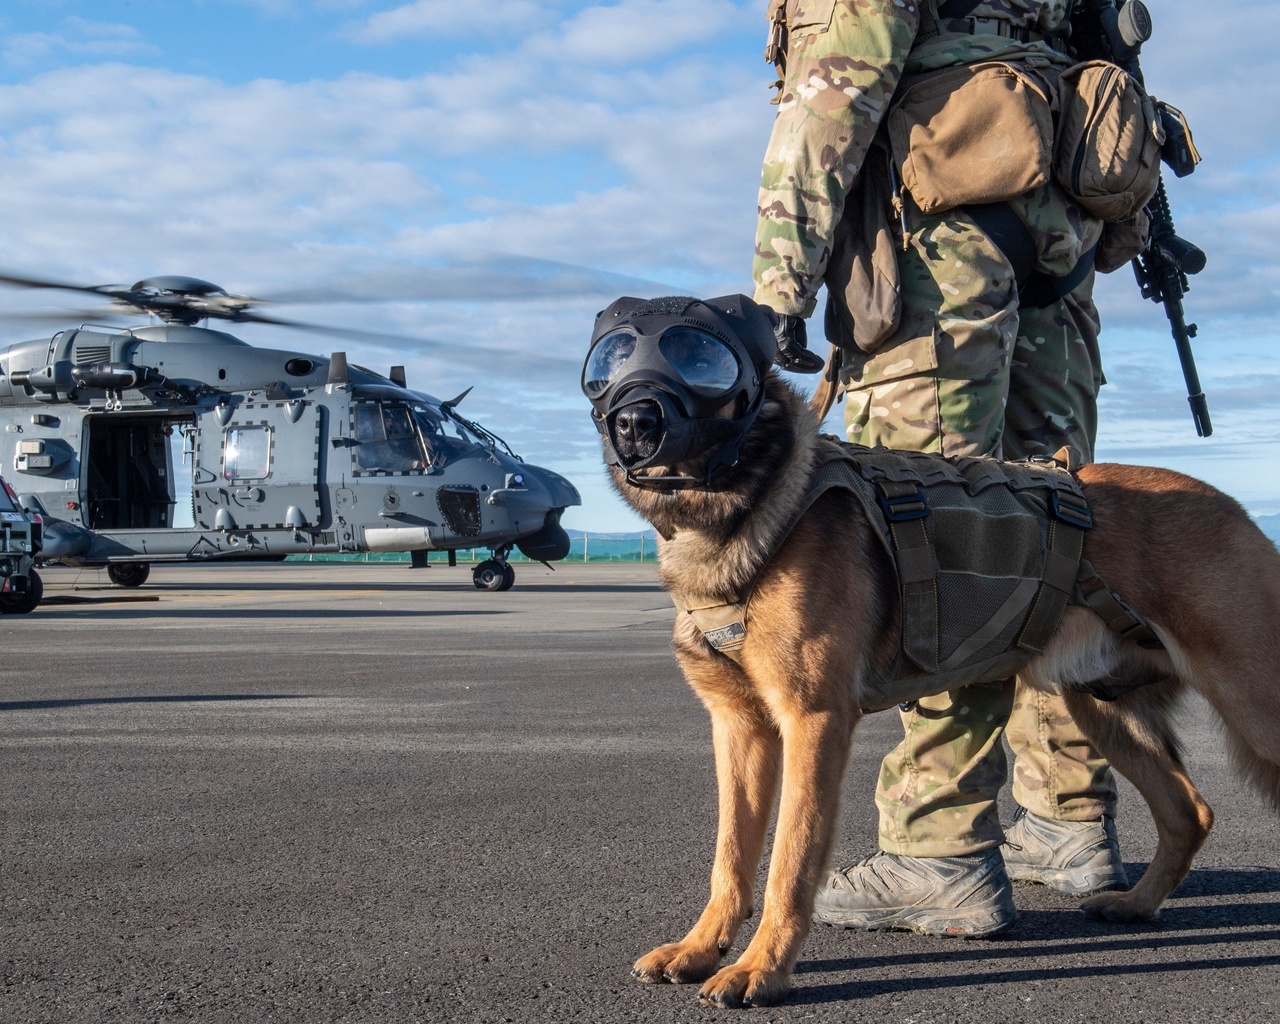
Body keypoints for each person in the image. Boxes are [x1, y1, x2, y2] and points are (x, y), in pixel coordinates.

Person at [751, 0, 1129, 937]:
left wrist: (775, 289)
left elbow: (836, 85)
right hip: (1059, 251)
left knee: (940, 548)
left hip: (942, 257)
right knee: (1055, 534)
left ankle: (938, 848)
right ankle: (1069, 819)